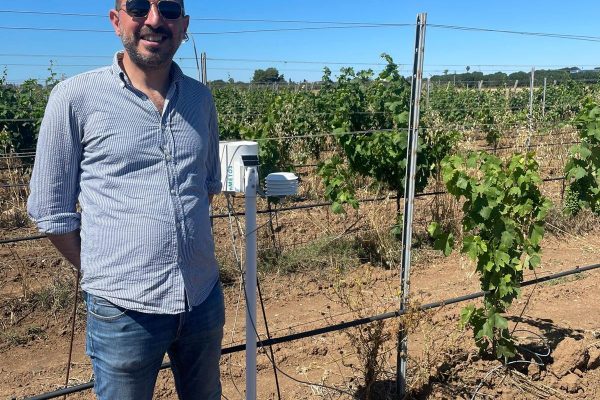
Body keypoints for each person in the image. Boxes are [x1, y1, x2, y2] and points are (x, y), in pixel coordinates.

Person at [27, 0, 224, 398]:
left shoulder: (200, 99)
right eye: (138, 7)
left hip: (201, 298)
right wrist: (104, 271)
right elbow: (51, 211)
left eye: (168, 9)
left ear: (183, 25)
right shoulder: (74, 97)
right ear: (117, 21)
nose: (155, 20)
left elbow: (206, 185)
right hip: (122, 310)